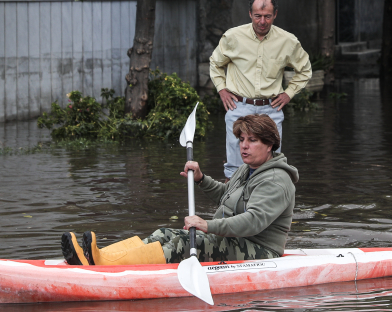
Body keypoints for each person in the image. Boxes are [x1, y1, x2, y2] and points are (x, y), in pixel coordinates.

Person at [61, 114, 298, 266]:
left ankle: (105, 264)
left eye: (252, 140)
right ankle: (100, 257)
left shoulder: (276, 180)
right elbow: (226, 198)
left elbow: (253, 222)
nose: (244, 146)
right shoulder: (248, 168)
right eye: (242, 139)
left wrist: (207, 225)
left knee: (183, 245)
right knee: (163, 234)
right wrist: (201, 179)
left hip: (260, 251)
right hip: (234, 239)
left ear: (269, 145)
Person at [208, 0, 311, 179]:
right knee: (234, 166)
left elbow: (305, 70)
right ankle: (232, 205)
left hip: (270, 109)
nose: (262, 22)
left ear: (275, 15)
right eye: (258, 16)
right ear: (250, 14)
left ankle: (268, 204)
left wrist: (288, 93)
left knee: (273, 164)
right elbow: (215, 63)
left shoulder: (288, 41)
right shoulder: (233, 37)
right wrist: (222, 89)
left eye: (267, 16)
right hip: (237, 106)